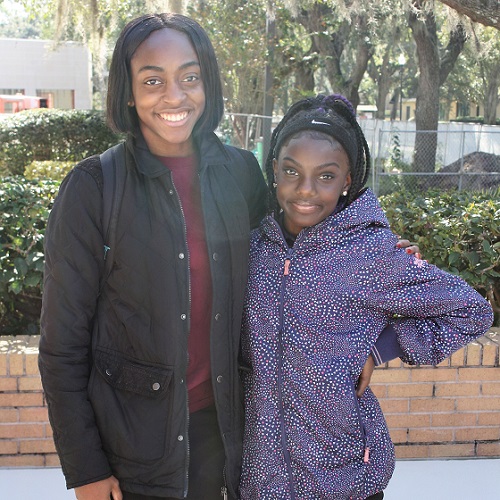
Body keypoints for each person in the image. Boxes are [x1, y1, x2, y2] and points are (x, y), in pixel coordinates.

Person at [38, 13, 419, 500]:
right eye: (152, 80)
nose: (174, 96)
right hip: (135, 449)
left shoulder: (239, 173)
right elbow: (61, 348)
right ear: (128, 92)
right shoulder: (94, 189)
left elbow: (305, 264)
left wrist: (380, 325)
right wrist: (86, 469)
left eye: (189, 77)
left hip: (235, 440)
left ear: (207, 84)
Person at [239, 94, 494, 500]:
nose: (305, 190)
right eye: (291, 171)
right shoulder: (249, 248)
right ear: (274, 171)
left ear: (348, 180)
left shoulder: (370, 252)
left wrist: (378, 349)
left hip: (344, 476)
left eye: (325, 176)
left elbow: (471, 311)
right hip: (261, 476)